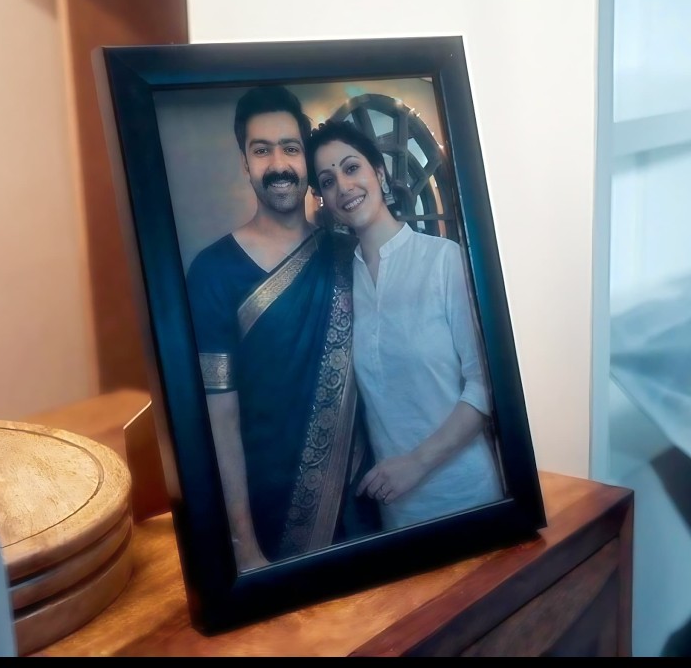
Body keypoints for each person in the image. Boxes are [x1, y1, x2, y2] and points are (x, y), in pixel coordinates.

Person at [184, 86, 379, 569]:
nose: (278, 164)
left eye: (290, 148)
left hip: (367, 503)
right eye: (261, 150)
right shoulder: (213, 272)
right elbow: (220, 421)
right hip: (269, 520)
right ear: (244, 163)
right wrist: (244, 546)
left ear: (305, 160)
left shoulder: (347, 254)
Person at [306, 119, 505, 530]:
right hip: (398, 511)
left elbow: (485, 385)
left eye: (351, 167)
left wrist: (416, 463)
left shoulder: (443, 261)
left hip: (469, 496)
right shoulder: (342, 283)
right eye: (327, 181)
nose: (343, 186)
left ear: (379, 173)